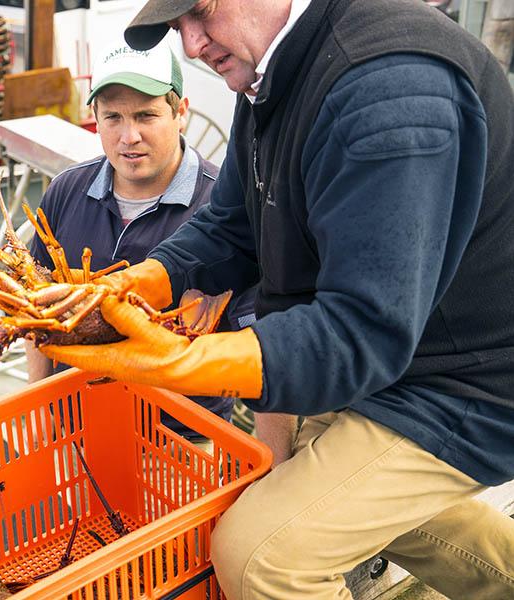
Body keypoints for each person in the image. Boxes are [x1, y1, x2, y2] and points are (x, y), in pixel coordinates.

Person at [40, 0, 514, 598]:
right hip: (406, 354)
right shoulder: (274, 75)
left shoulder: (391, 90)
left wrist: (176, 362)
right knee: (320, 462)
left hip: (470, 380)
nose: (191, 44)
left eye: (201, 12)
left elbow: (362, 331)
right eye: (177, 24)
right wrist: (140, 280)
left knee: (260, 553)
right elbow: (231, 225)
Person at [24, 40, 290, 444]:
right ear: (93, 117)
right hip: (74, 428)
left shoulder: (229, 208)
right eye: (112, 116)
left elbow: (271, 348)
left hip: (181, 440)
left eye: (146, 115)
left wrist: (273, 473)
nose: (129, 136)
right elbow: (35, 314)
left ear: (180, 112)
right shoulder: (65, 191)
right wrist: (39, 418)